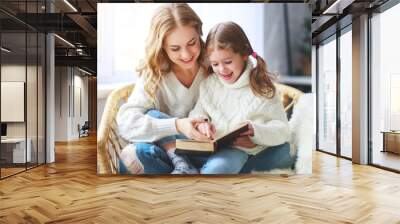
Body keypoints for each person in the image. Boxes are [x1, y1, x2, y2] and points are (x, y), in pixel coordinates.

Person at [187, 21, 293, 174]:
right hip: (210, 147)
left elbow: (283, 129)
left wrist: (255, 133)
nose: (222, 69)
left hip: (238, 151)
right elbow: (198, 113)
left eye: (228, 62)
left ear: (244, 54)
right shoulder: (209, 85)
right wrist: (202, 123)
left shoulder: (262, 87)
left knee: (219, 168)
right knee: (165, 143)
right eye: (215, 64)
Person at [116, 3, 210, 174]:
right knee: (134, 153)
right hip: (169, 156)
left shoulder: (215, 65)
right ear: (163, 47)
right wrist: (177, 125)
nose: (186, 54)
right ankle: (185, 170)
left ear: (199, 34)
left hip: (206, 151)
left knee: (150, 117)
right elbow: (126, 124)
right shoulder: (154, 73)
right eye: (175, 48)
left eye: (192, 42)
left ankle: (186, 174)